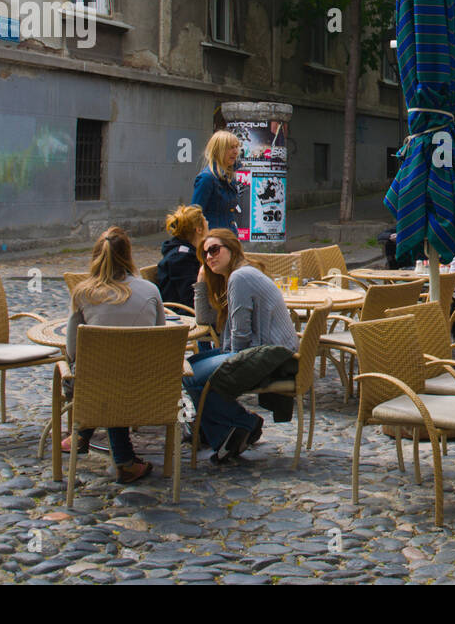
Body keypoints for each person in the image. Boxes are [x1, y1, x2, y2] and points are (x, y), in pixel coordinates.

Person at [184, 229, 299, 463]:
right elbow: (205, 321)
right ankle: (229, 430)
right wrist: (201, 282)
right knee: (188, 370)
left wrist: (226, 362)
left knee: (192, 376)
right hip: (265, 351)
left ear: (232, 248)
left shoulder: (240, 277)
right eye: (205, 254)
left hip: (271, 357)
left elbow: (241, 335)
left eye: (215, 250)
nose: (209, 257)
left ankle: (240, 424)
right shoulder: (235, 276)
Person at [63, 227, 167, 484]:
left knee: (103, 371)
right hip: (146, 386)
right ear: (129, 255)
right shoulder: (150, 290)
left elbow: (73, 350)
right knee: (118, 369)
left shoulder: (83, 293)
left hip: (95, 389)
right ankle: (116, 456)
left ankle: (96, 443)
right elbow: (160, 338)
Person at [155, 204, 206, 308]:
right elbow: (191, 299)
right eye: (206, 221)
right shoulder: (180, 258)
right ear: (199, 229)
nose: (208, 223)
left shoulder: (187, 252)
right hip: (183, 315)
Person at [192, 130, 242, 233]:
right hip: (213, 240)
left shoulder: (229, 178)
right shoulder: (207, 178)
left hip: (228, 238)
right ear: (219, 150)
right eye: (231, 147)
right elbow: (195, 214)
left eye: (236, 147)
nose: (236, 151)